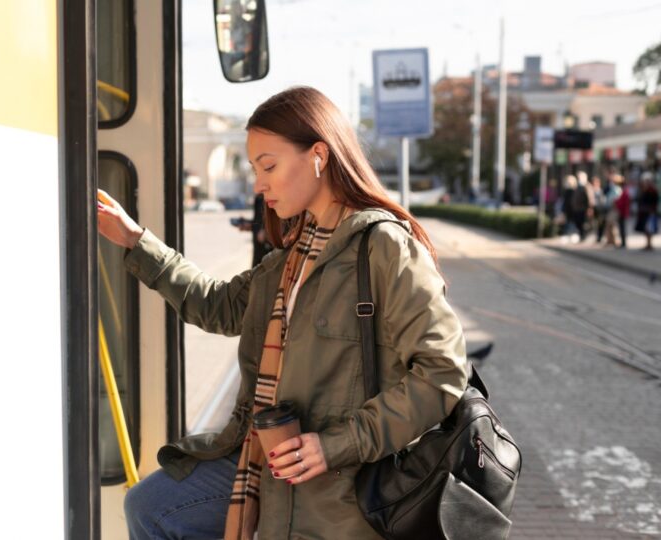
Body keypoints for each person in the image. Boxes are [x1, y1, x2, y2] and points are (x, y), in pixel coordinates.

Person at [97, 86, 468, 540]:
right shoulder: (293, 255)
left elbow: (443, 372)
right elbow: (219, 306)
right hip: (269, 464)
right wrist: (137, 242)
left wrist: (335, 446)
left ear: (318, 155)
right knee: (153, 507)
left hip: (342, 482)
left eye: (268, 166)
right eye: (255, 169)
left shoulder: (386, 247)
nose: (258, 183)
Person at [635, 172, 659, 250]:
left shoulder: (652, 190)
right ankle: (647, 243)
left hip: (650, 212)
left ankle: (649, 244)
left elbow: (654, 201)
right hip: (644, 212)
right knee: (646, 229)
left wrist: (652, 210)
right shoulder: (644, 190)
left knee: (649, 228)